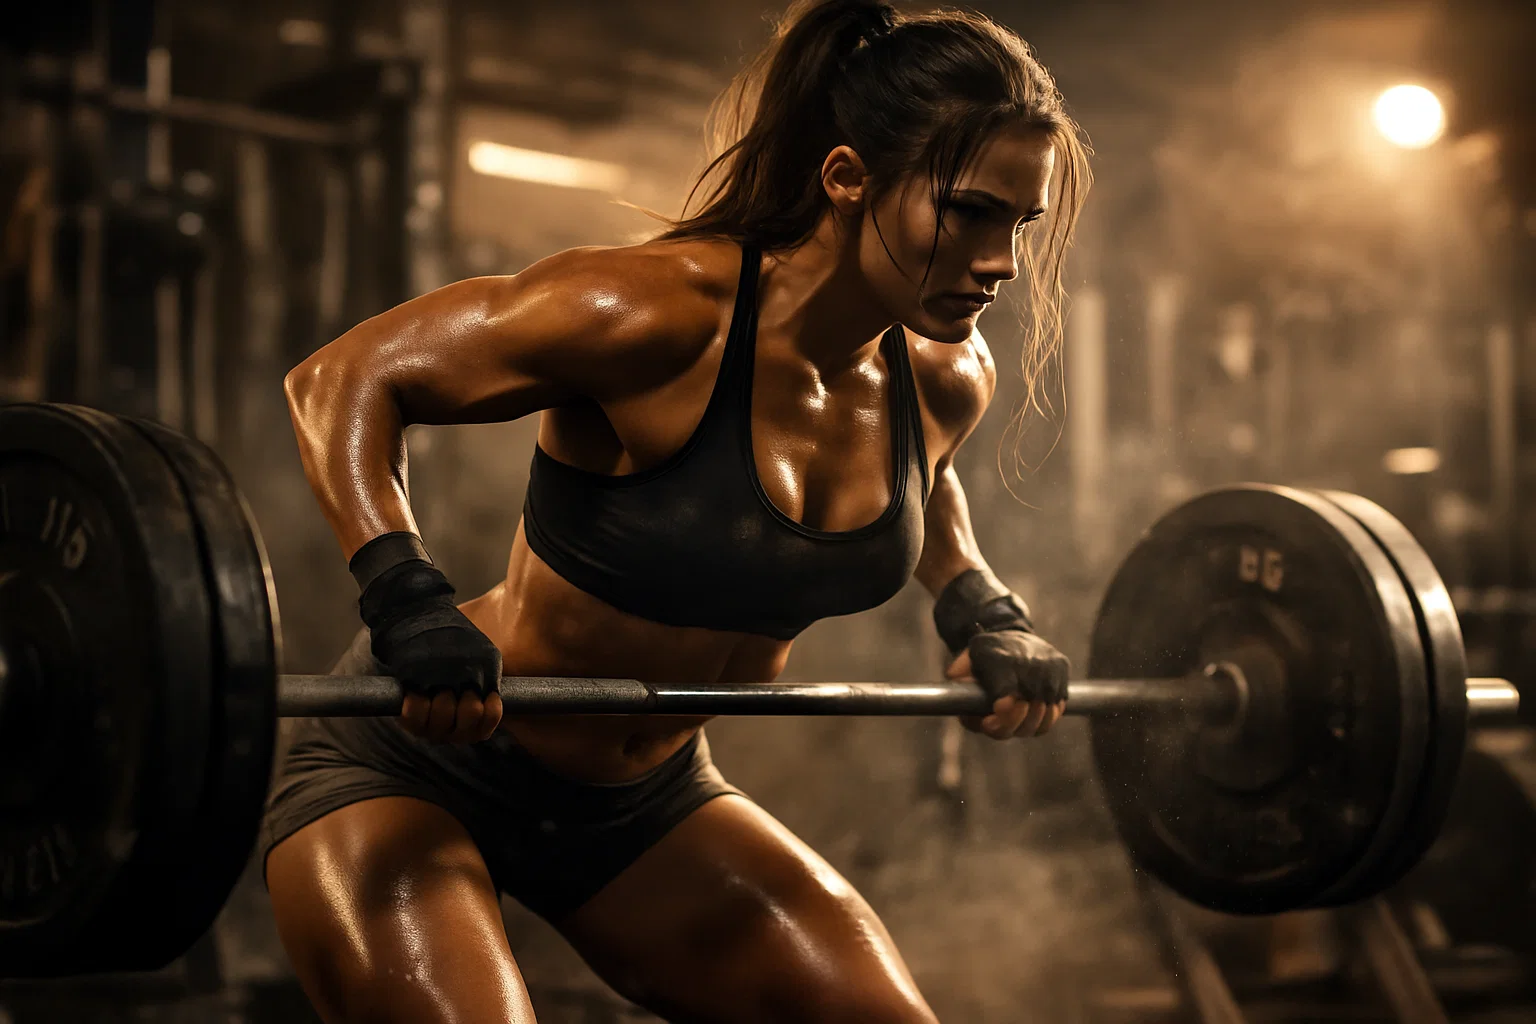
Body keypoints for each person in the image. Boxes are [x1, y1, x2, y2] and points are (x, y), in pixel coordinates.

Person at [263, 1, 1090, 1021]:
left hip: (643, 803)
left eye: (1020, 221)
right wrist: (405, 596)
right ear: (844, 178)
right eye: (969, 210)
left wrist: (980, 605)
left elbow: (927, 483)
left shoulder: (946, 378)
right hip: (419, 761)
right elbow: (342, 381)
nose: (1000, 257)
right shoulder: (658, 315)